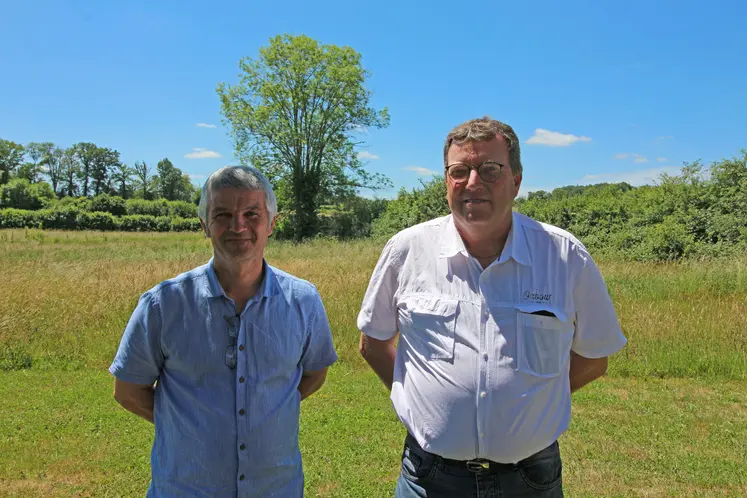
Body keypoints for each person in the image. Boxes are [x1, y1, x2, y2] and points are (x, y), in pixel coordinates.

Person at [357, 117, 627, 497]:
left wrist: (533, 403)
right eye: (459, 171)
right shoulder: (406, 251)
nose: (473, 183)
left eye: (489, 170)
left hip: (530, 478)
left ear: (516, 180)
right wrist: (417, 398)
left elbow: (595, 359)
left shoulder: (565, 257)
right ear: (446, 180)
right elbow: (373, 343)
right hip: (428, 477)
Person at [109, 165, 338, 497]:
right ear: (205, 225)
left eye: (251, 213)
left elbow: (315, 373)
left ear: (272, 223)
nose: (238, 226)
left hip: (276, 489)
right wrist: (190, 428)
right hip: (186, 488)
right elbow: (128, 390)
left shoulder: (304, 301)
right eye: (223, 215)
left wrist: (265, 410)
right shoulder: (164, 304)